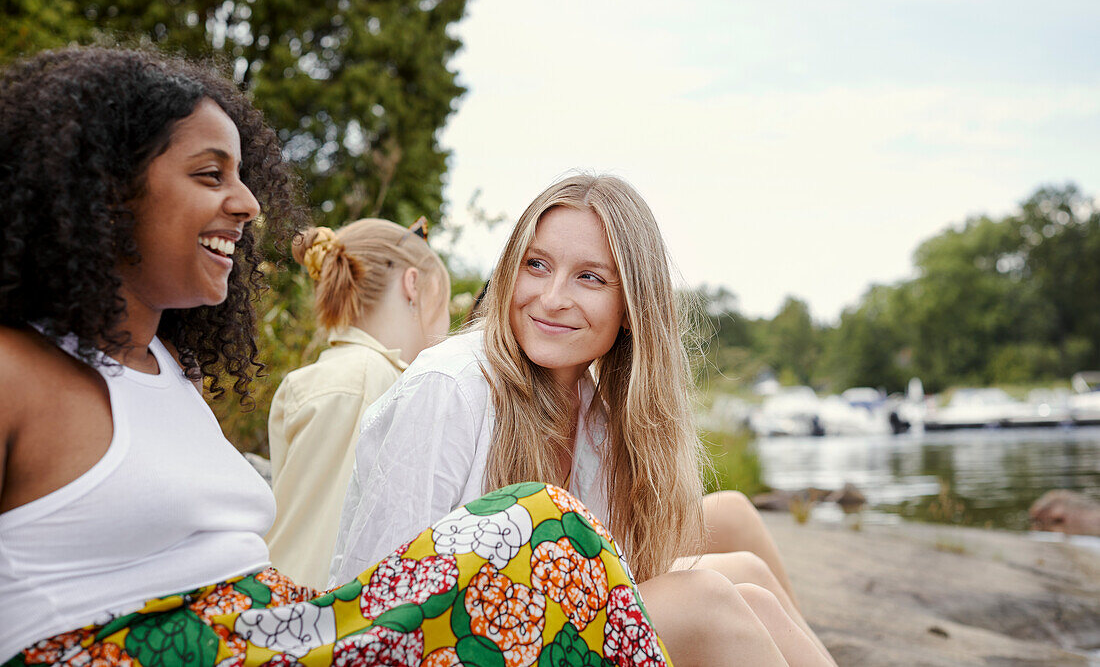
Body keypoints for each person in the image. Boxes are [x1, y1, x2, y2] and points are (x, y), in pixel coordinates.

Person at [0, 48, 673, 666]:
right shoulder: (18, 370)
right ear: (106, 191)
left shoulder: (169, 372)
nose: (247, 202)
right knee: (543, 525)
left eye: (242, 175)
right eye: (211, 175)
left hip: (281, 634)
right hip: (197, 647)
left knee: (576, 558)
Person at [332, 174, 837, 666]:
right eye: (536, 265)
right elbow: (378, 608)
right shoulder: (451, 387)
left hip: (532, 634)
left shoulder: (595, 412)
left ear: (631, 310)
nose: (551, 298)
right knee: (706, 601)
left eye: (589, 277)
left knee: (752, 586)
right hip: (445, 648)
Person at [266, 217, 451, 589]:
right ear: (412, 285)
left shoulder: (329, 374)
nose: (447, 323)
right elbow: (330, 545)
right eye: (444, 303)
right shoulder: (373, 384)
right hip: (319, 627)